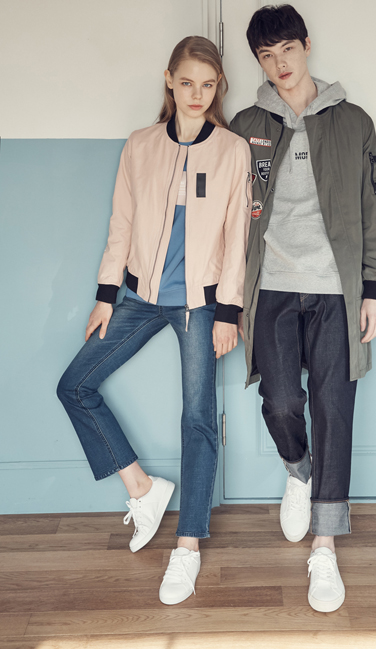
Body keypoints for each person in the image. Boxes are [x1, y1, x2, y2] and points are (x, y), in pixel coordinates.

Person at [57, 35, 251, 606]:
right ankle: (141, 487)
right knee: (74, 385)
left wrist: (229, 311)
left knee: (197, 420)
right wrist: (105, 295)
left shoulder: (232, 150)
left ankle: (187, 545)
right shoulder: (140, 145)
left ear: (218, 88)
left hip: (201, 305)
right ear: (169, 79)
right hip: (140, 297)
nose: (196, 94)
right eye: (186, 82)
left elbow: (237, 237)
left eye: (207, 85)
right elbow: (121, 224)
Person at [230, 5, 376, 613]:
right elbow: (231, 216)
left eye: (287, 51)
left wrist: (375, 289)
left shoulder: (353, 122)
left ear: (305, 46)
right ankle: (296, 468)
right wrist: (230, 298)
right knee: (280, 400)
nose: (279, 65)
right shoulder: (247, 124)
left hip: (335, 289)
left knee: (334, 408)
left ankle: (324, 546)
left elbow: (373, 210)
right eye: (266, 56)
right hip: (270, 286)